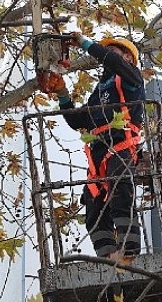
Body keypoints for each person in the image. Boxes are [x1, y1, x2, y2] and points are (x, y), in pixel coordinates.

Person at [44, 32, 145, 260]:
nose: (107, 55)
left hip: (120, 144)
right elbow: (78, 121)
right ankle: (106, 255)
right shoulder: (99, 93)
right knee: (94, 204)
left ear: (128, 57)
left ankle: (129, 252)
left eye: (114, 51)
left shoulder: (130, 78)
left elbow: (112, 61)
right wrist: (62, 94)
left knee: (121, 193)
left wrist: (85, 43)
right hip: (99, 153)